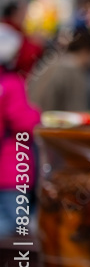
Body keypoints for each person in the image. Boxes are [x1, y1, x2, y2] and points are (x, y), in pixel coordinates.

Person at [0, 24, 41, 238]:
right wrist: (37, 115)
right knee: (16, 234)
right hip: (11, 170)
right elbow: (25, 123)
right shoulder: (11, 83)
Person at [28, 30, 90, 112]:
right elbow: (77, 111)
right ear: (86, 51)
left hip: (33, 119)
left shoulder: (49, 62)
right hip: (51, 122)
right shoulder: (73, 70)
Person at [1, 0, 44, 79]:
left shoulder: (17, 30)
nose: (25, 17)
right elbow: (17, 57)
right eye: (22, 13)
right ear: (14, 13)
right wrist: (36, 46)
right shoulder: (4, 30)